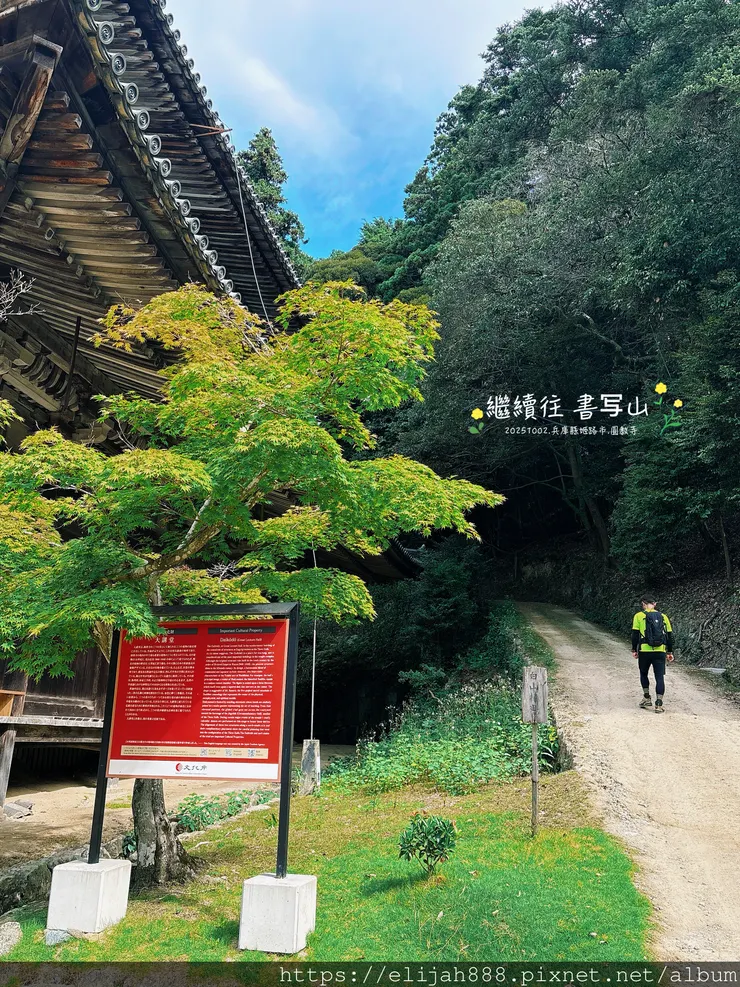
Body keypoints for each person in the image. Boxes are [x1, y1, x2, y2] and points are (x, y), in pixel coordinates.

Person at [631, 595, 674, 713]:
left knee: (643, 674)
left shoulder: (639, 616)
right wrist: (669, 652)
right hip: (660, 651)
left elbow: (635, 635)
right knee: (659, 677)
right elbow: (669, 636)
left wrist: (634, 649)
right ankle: (659, 704)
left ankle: (646, 698)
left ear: (643, 604)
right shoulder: (664, 617)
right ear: (654, 604)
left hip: (644, 651)